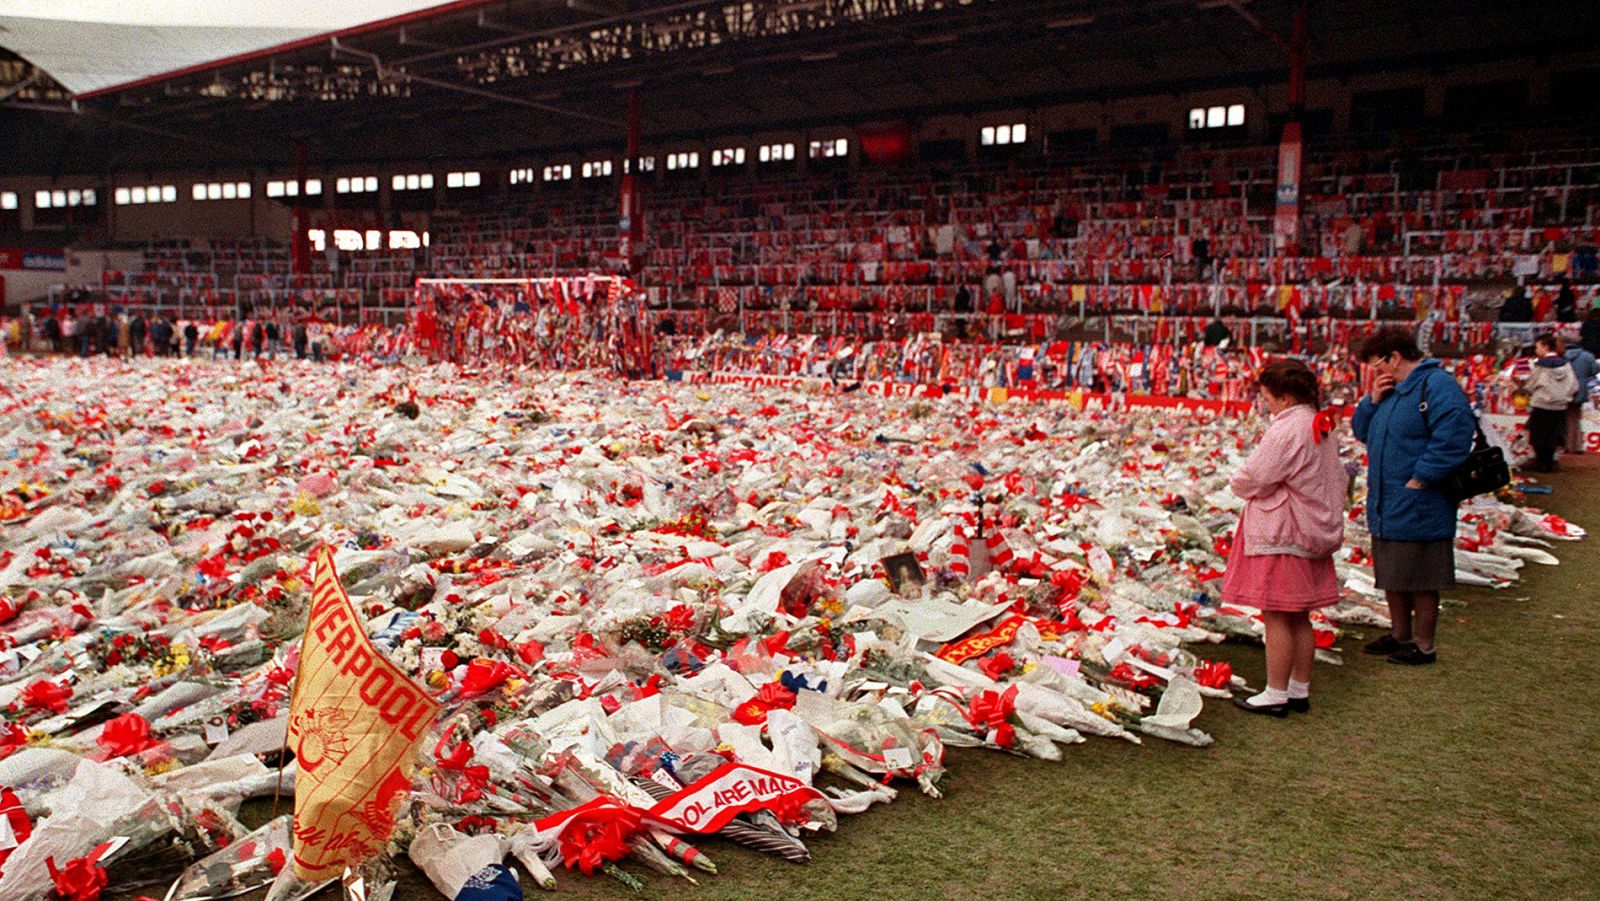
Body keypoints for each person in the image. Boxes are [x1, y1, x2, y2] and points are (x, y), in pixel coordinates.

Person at [1223, 360, 1349, 716]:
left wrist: (1238, 485)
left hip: (1285, 530)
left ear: (1284, 395)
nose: (1266, 405)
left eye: (1268, 397)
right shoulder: (1319, 423)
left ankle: (1275, 692)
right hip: (1312, 529)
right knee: (1300, 616)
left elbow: (1257, 475)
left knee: (1277, 614)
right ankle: (1298, 688)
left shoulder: (1287, 428)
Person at [1351, 327, 1476, 666]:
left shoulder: (1437, 385)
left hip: (1420, 497)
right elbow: (1361, 431)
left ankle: (1423, 643)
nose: (1375, 372)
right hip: (1387, 497)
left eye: (1377, 365)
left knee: (1421, 575)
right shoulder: (1392, 390)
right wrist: (1370, 401)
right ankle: (1399, 634)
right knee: (1393, 572)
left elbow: (1453, 436)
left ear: (1395, 357)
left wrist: (1423, 478)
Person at [1519, 334, 1577, 472]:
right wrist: (1565, 397)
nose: (1536, 350)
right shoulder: (1566, 364)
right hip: (1560, 406)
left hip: (1542, 404)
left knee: (1539, 435)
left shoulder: (1540, 366)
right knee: (1554, 434)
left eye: (1538, 347)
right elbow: (1574, 385)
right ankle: (1550, 462)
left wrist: (1524, 388)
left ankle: (1540, 462)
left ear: (1545, 347)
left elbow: (1531, 384)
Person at [1562, 337, 1597, 454]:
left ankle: (1566, 444)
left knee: (1565, 418)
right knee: (1575, 418)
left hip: (1564, 389)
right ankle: (1576, 446)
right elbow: (1594, 370)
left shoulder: (1562, 356)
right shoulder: (1587, 356)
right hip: (1580, 389)